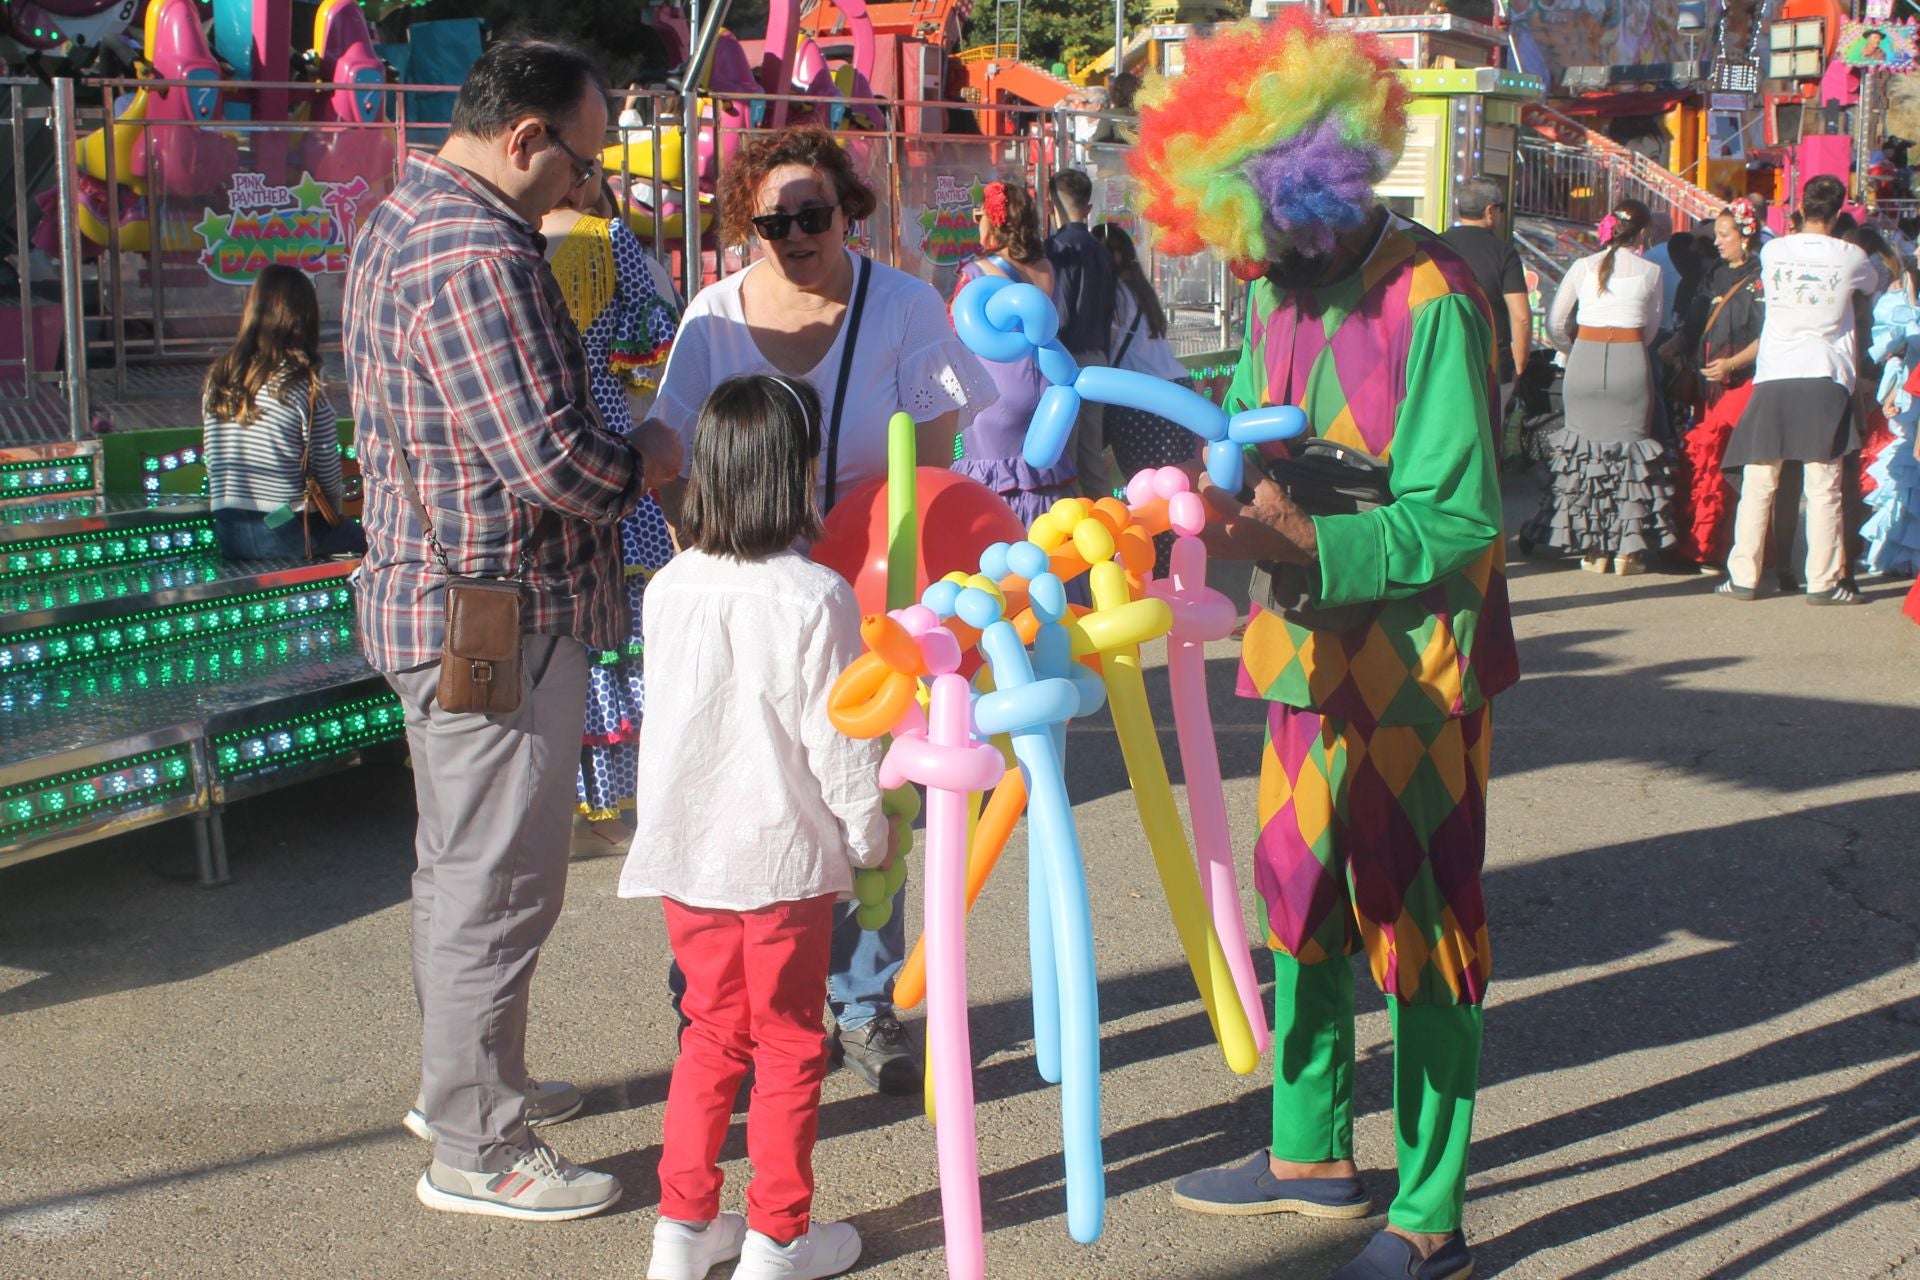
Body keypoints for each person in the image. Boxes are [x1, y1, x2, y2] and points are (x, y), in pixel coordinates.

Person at [1133, 16, 1518, 1279]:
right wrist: (1206, 493)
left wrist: (1301, 542)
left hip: (1415, 674)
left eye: (1278, 225)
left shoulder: (1435, 298)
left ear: (1327, 177)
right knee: (1298, 902)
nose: (1266, 256)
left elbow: (1461, 520)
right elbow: (1257, 436)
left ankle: (1432, 1212)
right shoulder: (1274, 281)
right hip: (1302, 659)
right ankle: (1308, 1148)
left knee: (1422, 930)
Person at [343, 39, 682, 1221]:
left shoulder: (402, 217)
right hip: (492, 609)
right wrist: (649, 454)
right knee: (499, 878)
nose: (586, 191)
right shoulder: (479, 253)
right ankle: (478, 1143)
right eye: (583, 165)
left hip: (444, 597)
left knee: (459, 869)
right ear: (526, 138)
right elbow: (553, 462)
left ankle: (467, 1085)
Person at [648, 123, 994, 1095]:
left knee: (867, 792)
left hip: (870, 599)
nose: (795, 234)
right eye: (772, 220)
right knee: (736, 788)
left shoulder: (906, 306)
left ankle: (864, 998)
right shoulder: (712, 318)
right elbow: (672, 455)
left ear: (848, 210)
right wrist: (709, 568)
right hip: (747, 592)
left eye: (813, 214)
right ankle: (720, 1005)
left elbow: (935, 461)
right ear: (747, 223)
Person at [622, 375, 882, 1280]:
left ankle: (683, 1228)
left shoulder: (670, 587)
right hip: (780, 861)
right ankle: (778, 1237)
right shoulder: (817, 596)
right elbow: (841, 742)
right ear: (797, 473)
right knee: (790, 1046)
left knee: (710, 1035)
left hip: (687, 853)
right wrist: (869, 837)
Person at [540, 180, 682, 855]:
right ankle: (614, 806)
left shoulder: (497, 239)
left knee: (559, 644)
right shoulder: (607, 240)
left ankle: (566, 807)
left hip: (533, 462)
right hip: (609, 450)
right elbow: (650, 371)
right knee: (623, 636)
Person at [1719, 174, 1875, 604]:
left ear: (1800, 206)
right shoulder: (1852, 256)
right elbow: (1870, 287)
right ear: (1840, 212)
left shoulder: (1774, 250)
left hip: (1775, 374)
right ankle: (1823, 582)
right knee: (1822, 484)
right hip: (1825, 374)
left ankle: (1743, 577)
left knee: (1759, 479)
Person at [1522, 199, 1676, 575]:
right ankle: (1628, 551)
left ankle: (1593, 549)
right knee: (1629, 456)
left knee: (1584, 454)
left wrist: (1574, 350)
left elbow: (1557, 323)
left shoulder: (1581, 267)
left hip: (1585, 360)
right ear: (1643, 234)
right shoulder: (1651, 271)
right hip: (1629, 359)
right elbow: (1652, 330)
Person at [202, 265, 366, 560]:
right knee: (371, 542)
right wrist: (335, 519)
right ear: (303, 316)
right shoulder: (301, 380)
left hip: (229, 531)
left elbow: (212, 457)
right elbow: (327, 468)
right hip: (284, 529)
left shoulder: (220, 375)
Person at [951, 181, 1074, 524]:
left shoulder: (976, 274)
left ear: (993, 220)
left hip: (996, 393)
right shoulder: (1046, 268)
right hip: (1048, 386)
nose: (977, 223)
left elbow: (955, 332)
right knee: (1042, 480)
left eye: (979, 216)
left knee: (993, 488)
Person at [1093, 220, 1199, 575]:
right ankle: (1182, 574)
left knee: (1146, 496)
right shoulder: (1140, 292)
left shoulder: (1112, 297)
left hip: (1142, 401)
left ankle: (1157, 576)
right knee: (1174, 493)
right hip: (1178, 392)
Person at [1668, 201, 1765, 570]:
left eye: (1724, 236)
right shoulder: (1714, 273)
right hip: (1709, 384)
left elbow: (1765, 333)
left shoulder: (1762, 277)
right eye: (1717, 236)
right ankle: (1703, 545)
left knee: (1731, 461)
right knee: (1704, 460)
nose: (1718, 243)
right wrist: (1674, 345)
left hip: (1742, 382)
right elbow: (1695, 320)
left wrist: (1733, 363)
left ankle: (1729, 547)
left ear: (1746, 236)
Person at [1046, 169, 1118, 498]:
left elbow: (1057, 314)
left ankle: (1075, 539)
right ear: (1088, 208)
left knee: (1066, 458)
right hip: (1099, 360)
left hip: (1065, 361)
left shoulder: (1057, 249)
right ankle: (1108, 527)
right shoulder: (1102, 251)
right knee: (1092, 455)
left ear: (1052, 206)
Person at [1439, 177, 1532, 421]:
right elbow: (1521, 317)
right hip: (1491, 363)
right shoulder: (1504, 253)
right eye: (1501, 208)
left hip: (1442, 360)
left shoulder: (1436, 244)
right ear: (1490, 211)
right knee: (1490, 439)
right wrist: (1520, 366)